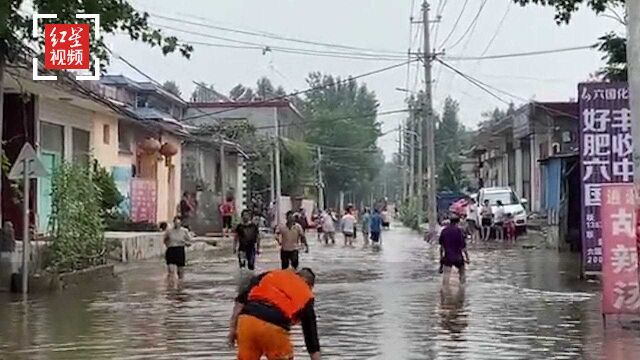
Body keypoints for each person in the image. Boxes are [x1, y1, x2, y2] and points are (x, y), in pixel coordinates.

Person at [228, 268, 321, 360]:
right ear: (309, 285)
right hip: (274, 327)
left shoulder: (271, 274)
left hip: (247, 321)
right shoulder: (306, 294)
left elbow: (241, 300)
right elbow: (311, 334)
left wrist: (232, 329)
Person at [439, 216, 470, 286]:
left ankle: (445, 291)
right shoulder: (459, 231)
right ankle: (462, 290)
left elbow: (441, 247)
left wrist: (441, 258)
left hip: (448, 256)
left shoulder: (444, 231)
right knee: (462, 273)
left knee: (446, 275)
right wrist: (467, 258)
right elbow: (464, 247)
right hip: (458, 257)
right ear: (458, 222)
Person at [164, 216, 192, 281]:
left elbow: (189, 242)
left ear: (181, 223)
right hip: (171, 250)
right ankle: (170, 284)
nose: (177, 224)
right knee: (170, 270)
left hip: (180, 250)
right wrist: (168, 245)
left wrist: (185, 243)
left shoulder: (184, 231)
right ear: (174, 223)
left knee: (180, 271)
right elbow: (165, 240)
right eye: (175, 222)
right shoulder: (169, 231)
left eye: (178, 223)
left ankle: (180, 284)